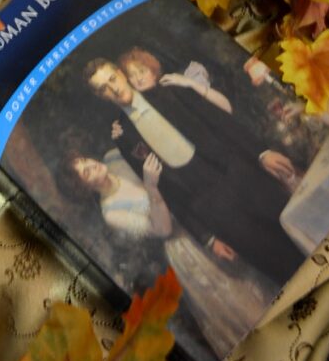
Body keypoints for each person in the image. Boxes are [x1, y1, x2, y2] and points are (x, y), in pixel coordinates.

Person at [82, 57, 305, 283]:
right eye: (105, 89)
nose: (114, 88)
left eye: (113, 79)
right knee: (284, 268)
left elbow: (221, 121)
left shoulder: (171, 90)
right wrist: (207, 237)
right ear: (102, 97)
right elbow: (167, 191)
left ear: (121, 73)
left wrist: (262, 153)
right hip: (212, 208)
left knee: (302, 230)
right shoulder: (123, 136)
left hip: (240, 174)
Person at [58, 145, 275, 360]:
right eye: (86, 172)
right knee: (244, 304)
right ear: (85, 189)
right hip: (187, 247)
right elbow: (163, 229)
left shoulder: (114, 157)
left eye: (84, 160)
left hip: (202, 215)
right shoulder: (112, 213)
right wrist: (151, 188)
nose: (92, 165)